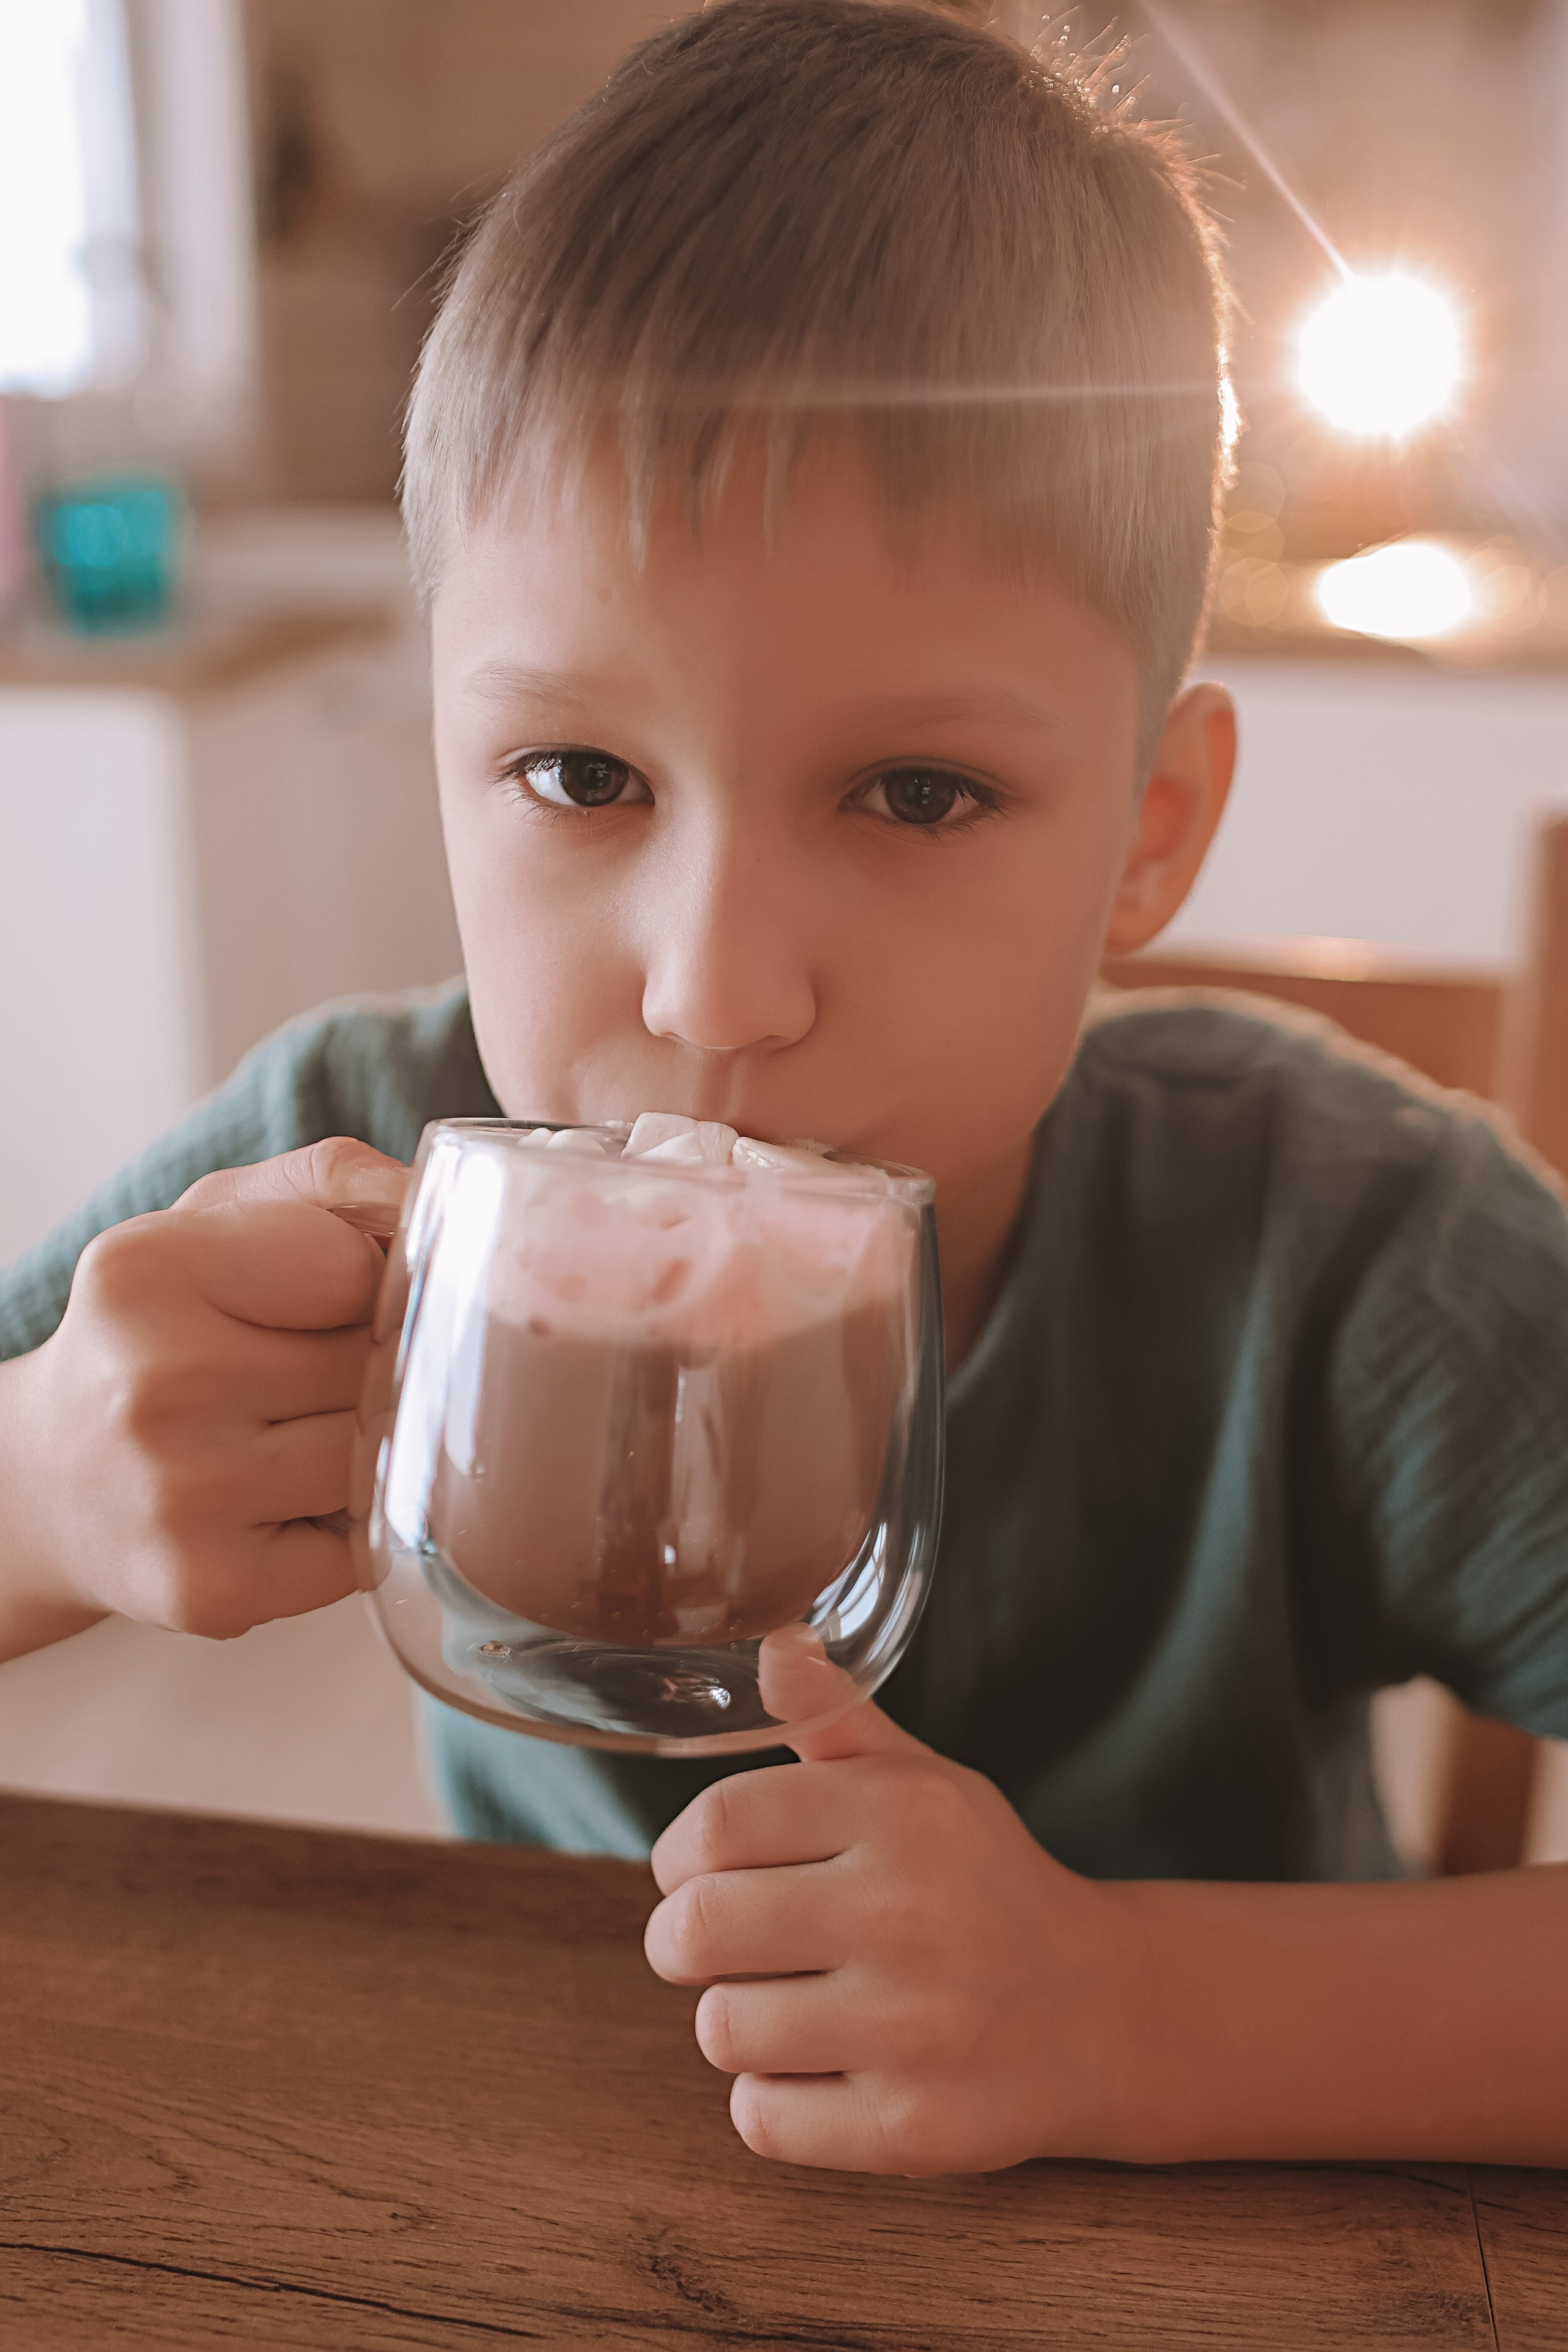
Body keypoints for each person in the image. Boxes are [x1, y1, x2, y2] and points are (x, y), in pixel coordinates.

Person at [2, 0, 1565, 2176]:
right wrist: (38, 1483)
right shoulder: (352, 1168)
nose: (717, 989)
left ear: (1150, 831)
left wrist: (1130, 2011)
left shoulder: (1357, 1253)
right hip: (532, 2187)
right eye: (581, 774)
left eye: (916, 792)